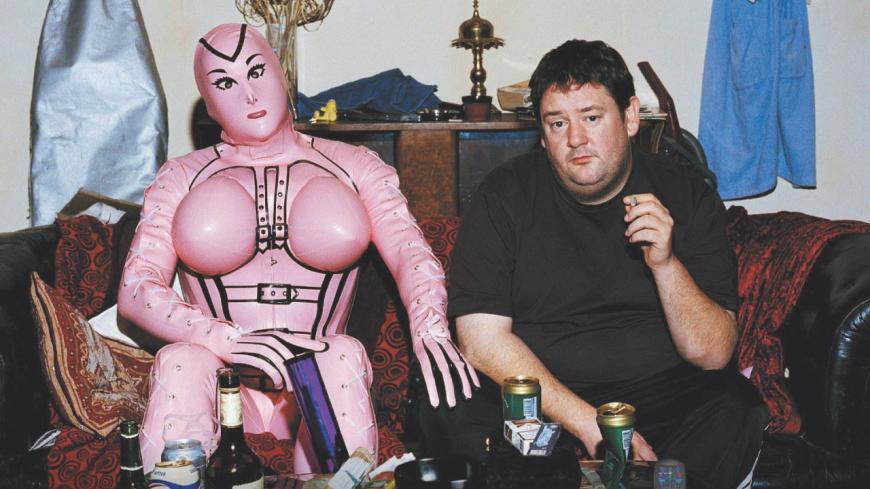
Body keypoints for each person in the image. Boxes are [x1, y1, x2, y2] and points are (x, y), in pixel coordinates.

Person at [118, 23, 478, 473]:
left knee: (342, 353)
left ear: (282, 75)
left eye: (256, 71)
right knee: (181, 360)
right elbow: (136, 288)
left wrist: (430, 327)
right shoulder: (180, 176)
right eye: (225, 83)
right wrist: (226, 340)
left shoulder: (355, 165)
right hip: (222, 388)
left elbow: (410, 251)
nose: (249, 95)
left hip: (324, 380)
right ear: (208, 104)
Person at [415, 39, 767, 489]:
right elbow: (481, 342)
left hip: (658, 398)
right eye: (557, 123)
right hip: (540, 402)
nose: (575, 139)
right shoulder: (503, 195)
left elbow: (713, 354)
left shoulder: (686, 193)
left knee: (737, 406)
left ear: (631, 117)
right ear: (542, 134)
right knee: (444, 401)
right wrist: (587, 422)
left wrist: (665, 264)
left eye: (592, 117)